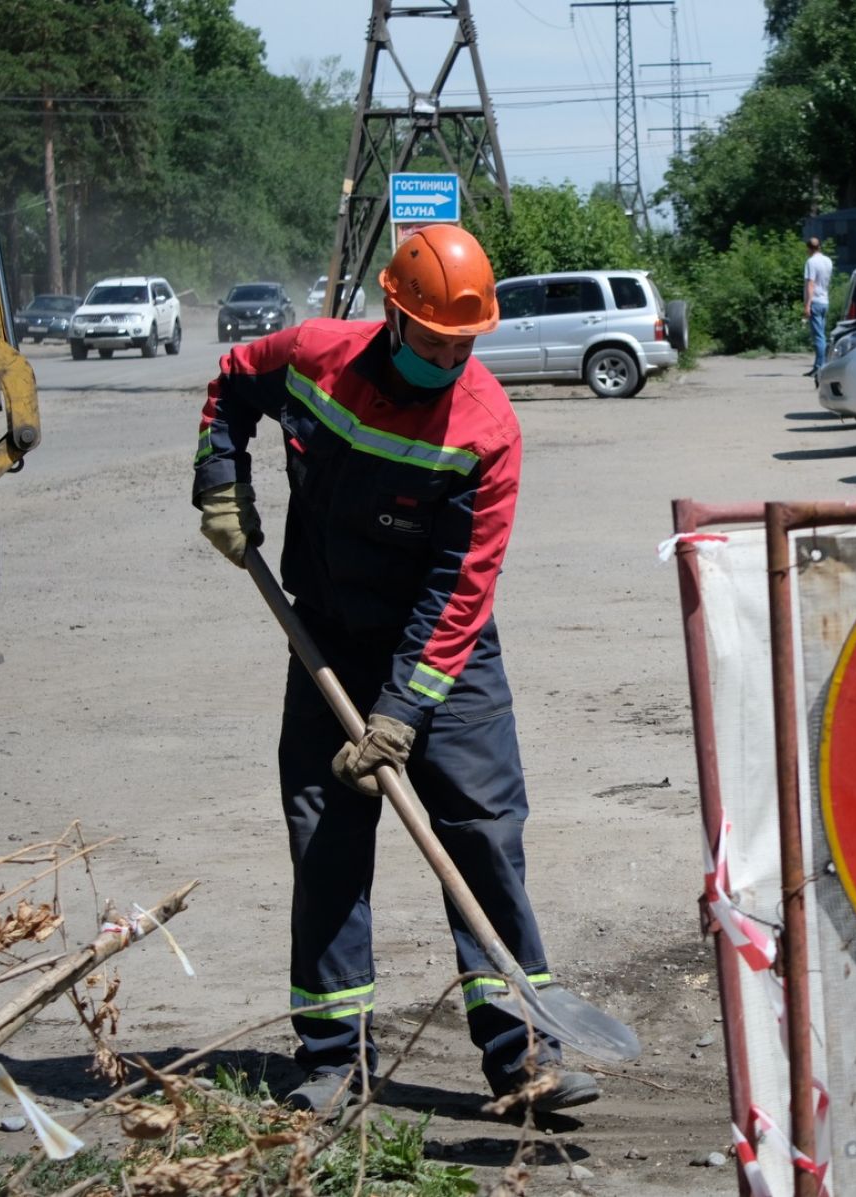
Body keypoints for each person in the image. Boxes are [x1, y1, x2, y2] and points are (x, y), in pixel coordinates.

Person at [191, 223, 599, 1119]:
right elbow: (229, 387)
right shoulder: (314, 356)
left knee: (482, 832)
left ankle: (526, 1049)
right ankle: (336, 1059)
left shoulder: (486, 429)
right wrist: (222, 482)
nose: (451, 357)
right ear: (393, 314)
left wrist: (404, 710)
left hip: (446, 659)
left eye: (467, 343)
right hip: (326, 637)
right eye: (436, 339)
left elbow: (460, 588)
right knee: (327, 837)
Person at [803, 235, 832, 378]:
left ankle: (820, 367)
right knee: (822, 336)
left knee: (818, 337)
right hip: (825, 301)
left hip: (815, 301)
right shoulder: (828, 261)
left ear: (809, 248)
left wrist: (807, 305)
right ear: (819, 246)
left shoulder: (811, 262)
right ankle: (819, 365)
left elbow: (811, 284)